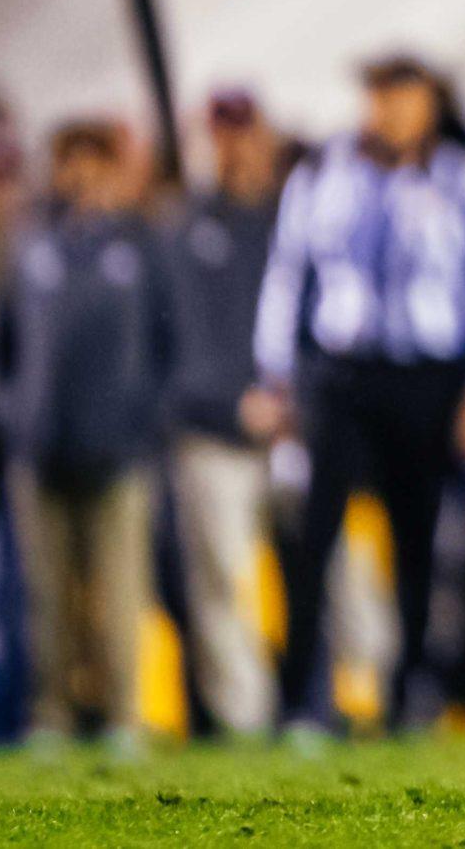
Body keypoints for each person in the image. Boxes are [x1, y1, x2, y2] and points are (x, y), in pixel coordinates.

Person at [249, 58, 465, 737]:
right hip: (343, 373)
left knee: (420, 540)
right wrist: (275, 377)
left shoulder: (464, 180)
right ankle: (300, 699)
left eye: (405, 97)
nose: (392, 112)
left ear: (431, 104)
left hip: (428, 374)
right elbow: (288, 274)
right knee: (314, 533)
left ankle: (410, 694)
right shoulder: (324, 173)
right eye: (381, 96)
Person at [0, 120, 172, 756]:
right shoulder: (33, 244)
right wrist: (16, 416)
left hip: (119, 449)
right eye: (71, 159)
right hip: (43, 447)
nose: (82, 174)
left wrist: (145, 419)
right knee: (45, 598)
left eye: (95, 160)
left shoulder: (140, 243)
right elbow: (3, 348)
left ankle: (125, 715)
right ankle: (51, 714)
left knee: (122, 590)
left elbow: (168, 344)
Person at [165, 89, 284, 740]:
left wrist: (294, 400)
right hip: (214, 431)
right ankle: (244, 720)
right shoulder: (185, 227)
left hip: (296, 432)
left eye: (245, 130)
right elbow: (173, 345)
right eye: (223, 132)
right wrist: (228, 400)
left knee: (336, 573)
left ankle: (340, 705)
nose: (236, 146)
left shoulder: (295, 220)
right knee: (223, 581)